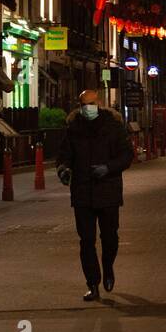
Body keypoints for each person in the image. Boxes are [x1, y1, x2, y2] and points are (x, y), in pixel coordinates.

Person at [56, 88, 133, 301]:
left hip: (108, 190)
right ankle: (93, 283)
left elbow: (127, 155)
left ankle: (108, 267)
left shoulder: (113, 126)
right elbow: (64, 155)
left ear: (99, 103)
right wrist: (64, 169)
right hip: (82, 192)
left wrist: (108, 167)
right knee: (86, 240)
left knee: (110, 237)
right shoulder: (74, 128)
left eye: (91, 103)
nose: (87, 108)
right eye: (84, 104)